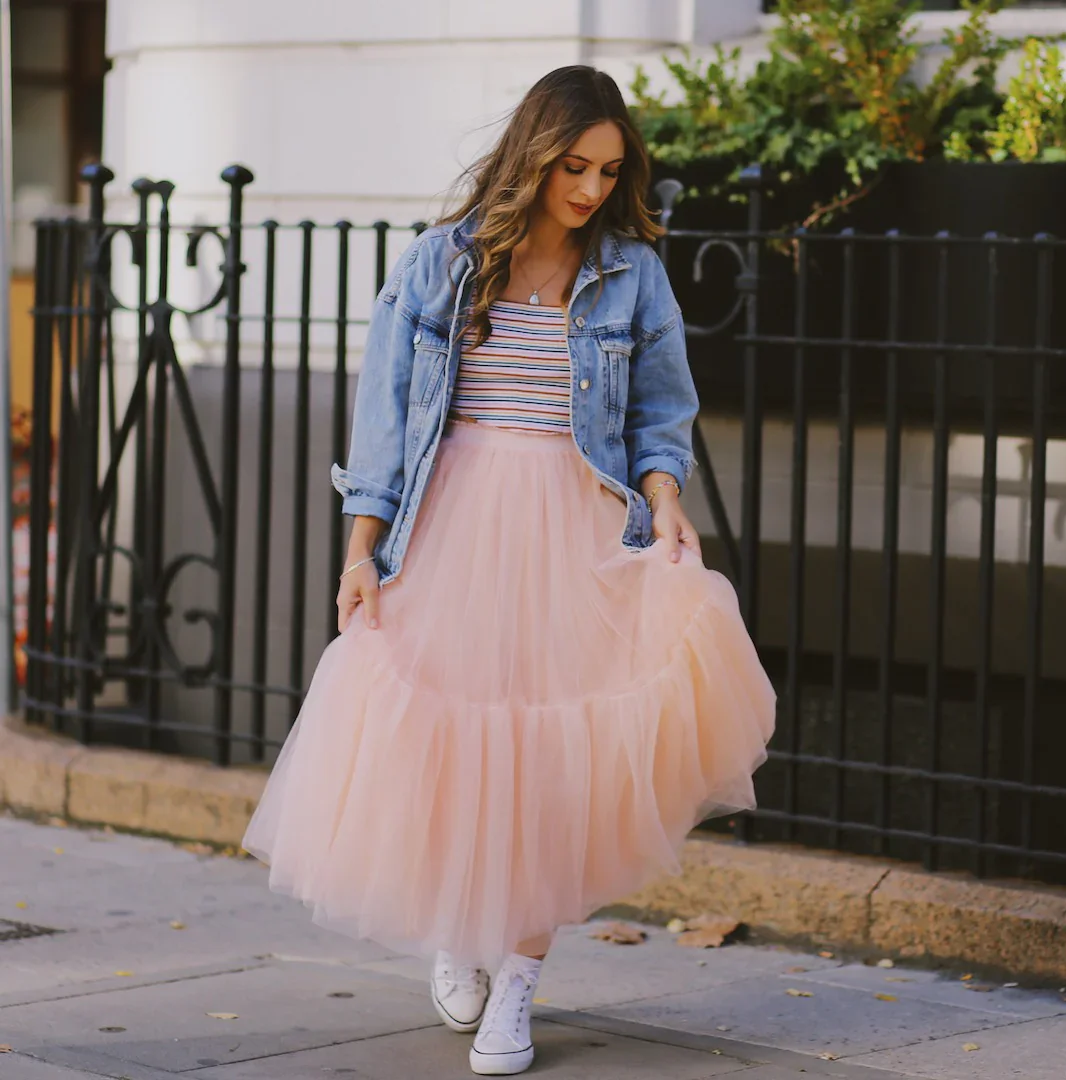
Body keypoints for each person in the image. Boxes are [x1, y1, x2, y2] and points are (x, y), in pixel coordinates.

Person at [242, 65, 776, 1076]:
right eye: (573, 165)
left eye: (608, 171)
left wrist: (666, 508)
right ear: (533, 154)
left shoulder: (631, 272)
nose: (588, 188)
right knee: (446, 746)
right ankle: (460, 928)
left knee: (553, 765)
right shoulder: (444, 263)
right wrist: (362, 552)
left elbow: (661, 414)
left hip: (578, 525)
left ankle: (518, 986)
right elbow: (387, 421)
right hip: (455, 523)